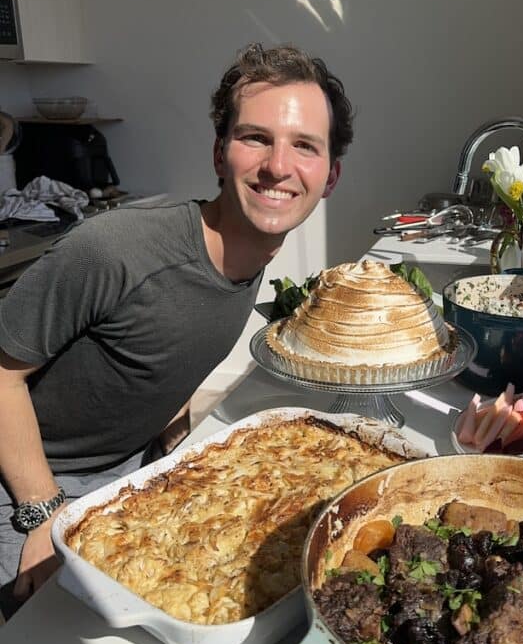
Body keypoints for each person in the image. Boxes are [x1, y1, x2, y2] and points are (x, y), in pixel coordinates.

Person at [0, 43, 353, 613]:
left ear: (330, 175)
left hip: (123, 470)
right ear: (220, 154)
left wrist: (169, 427)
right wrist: (44, 512)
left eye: (304, 146)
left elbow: (172, 341)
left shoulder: (252, 257)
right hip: (26, 477)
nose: (278, 167)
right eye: (255, 137)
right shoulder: (114, 250)